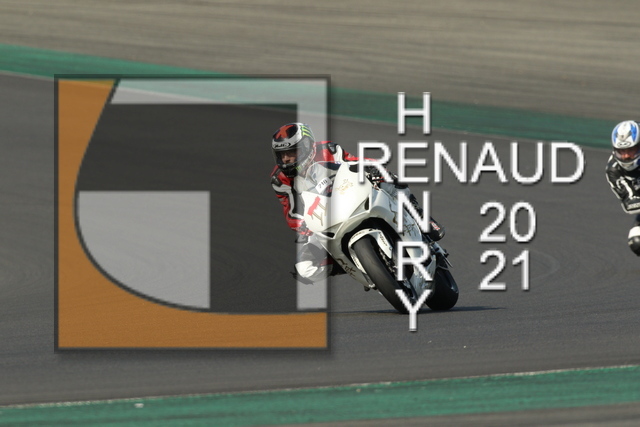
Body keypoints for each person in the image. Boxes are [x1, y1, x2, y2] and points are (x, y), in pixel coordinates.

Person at [270, 122, 444, 283]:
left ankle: (419, 215)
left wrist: (375, 169)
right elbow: (291, 211)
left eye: (291, 152)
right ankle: (354, 264)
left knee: (389, 180)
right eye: (281, 155)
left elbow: (355, 162)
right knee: (304, 269)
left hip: (348, 194)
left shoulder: (328, 150)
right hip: (321, 219)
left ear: (307, 146)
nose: (286, 159)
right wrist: (303, 226)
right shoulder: (279, 179)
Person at [606, 120, 640, 256]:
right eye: (621, 151)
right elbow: (630, 203)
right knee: (636, 241)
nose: (626, 156)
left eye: (631, 150)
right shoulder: (614, 170)